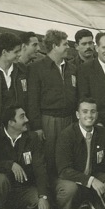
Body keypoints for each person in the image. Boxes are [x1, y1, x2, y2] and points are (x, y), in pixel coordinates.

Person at [54, 98, 105, 209]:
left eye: (93, 111)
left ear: (97, 114)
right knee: (69, 189)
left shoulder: (103, 133)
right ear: (77, 114)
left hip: (94, 174)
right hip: (69, 179)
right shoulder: (67, 135)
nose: (89, 115)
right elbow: (64, 170)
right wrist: (91, 180)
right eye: (85, 111)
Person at [26, 29, 77, 177]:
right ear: (54, 46)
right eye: (65, 44)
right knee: (48, 157)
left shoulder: (72, 69)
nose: (68, 47)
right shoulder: (36, 68)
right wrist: (37, 127)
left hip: (68, 120)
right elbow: (32, 100)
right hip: (48, 121)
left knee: (68, 156)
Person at [0, 105, 50, 209]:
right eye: (22, 117)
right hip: (2, 189)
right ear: (11, 122)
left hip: (24, 189)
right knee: (0, 179)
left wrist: (43, 196)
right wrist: (10, 164)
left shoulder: (33, 138)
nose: (27, 120)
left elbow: (40, 168)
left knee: (40, 202)